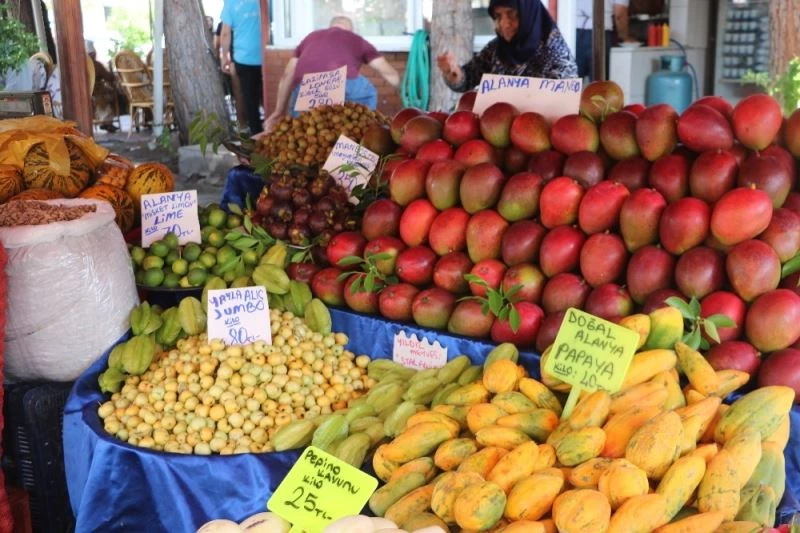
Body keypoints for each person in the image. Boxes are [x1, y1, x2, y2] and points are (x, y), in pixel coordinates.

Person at [263, 16, 400, 132]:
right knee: (359, 120)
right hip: (344, 82)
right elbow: (387, 72)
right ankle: (363, 135)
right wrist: (405, 92)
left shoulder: (310, 38)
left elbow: (287, 75)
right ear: (350, 30)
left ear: (330, 27)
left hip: (307, 88)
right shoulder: (356, 39)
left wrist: (279, 111)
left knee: (304, 132)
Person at [436, 0, 577, 92]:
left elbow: (563, 111)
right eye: (498, 16)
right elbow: (468, 79)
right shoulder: (497, 49)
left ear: (528, 13)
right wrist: (453, 73)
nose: (504, 24)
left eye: (512, 15)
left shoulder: (557, 57)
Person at [220, 0, 264, 135]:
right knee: (266, 96)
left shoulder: (231, 3)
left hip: (244, 58)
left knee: (250, 100)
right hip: (266, 54)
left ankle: (257, 134)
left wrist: (224, 57)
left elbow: (225, 33)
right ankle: (272, 131)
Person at [576, 0, 635, 79]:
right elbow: (619, 15)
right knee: (599, 79)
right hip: (600, 31)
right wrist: (625, 37)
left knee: (572, 79)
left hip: (573, 30)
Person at [86, 40, 119, 132]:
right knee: (109, 97)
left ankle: (106, 122)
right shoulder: (96, 64)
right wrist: (111, 72)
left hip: (88, 94)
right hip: (97, 93)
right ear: (92, 54)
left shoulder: (81, 65)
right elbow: (109, 77)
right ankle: (107, 122)